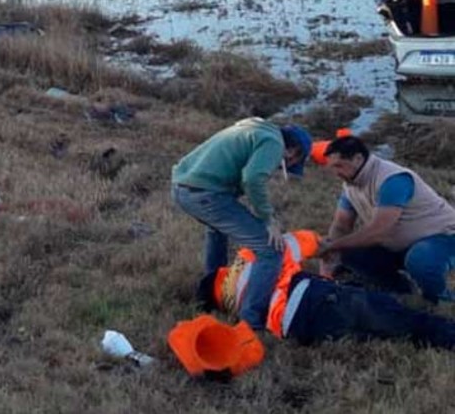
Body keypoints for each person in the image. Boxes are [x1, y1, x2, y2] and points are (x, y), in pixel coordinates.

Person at [198, 229, 455, 349]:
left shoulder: (237, 308)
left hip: (305, 330)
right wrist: (322, 243)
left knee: (388, 336)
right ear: (221, 273)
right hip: (317, 298)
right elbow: (293, 244)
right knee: (406, 320)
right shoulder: (248, 259)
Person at [171, 118, 312, 332]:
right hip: (205, 194)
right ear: (293, 151)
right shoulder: (275, 143)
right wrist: (268, 219)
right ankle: (251, 321)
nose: (286, 165)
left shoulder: (255, 126)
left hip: (182, 187)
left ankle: (211, 292)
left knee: (217, 230)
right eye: (293, 162)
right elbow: (253, 178)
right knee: (270, 250)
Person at [316, 136, 455, 303]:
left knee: (420, 259)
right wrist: (329, 253)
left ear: (358, 159)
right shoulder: (350, 184)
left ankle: (440, 302)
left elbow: (378, 233)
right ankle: (400, 292)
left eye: (339, 165)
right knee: (348, 252)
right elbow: (341, 225)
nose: (336, 173)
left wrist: (333, 245)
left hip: (443, 236)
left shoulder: (392, 180)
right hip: (400, 242)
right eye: (332, 167)